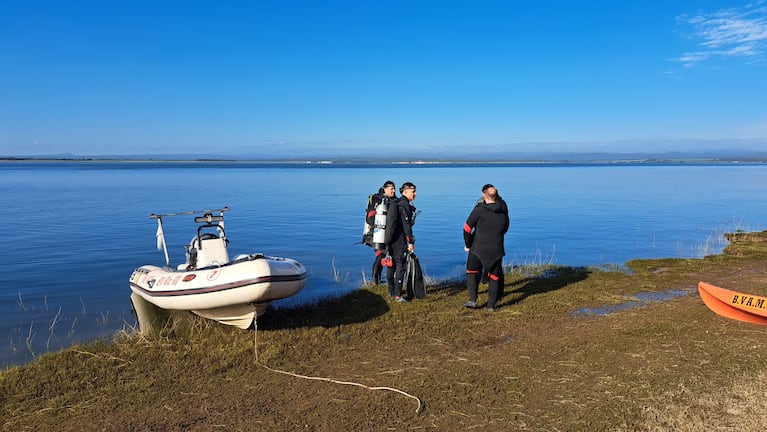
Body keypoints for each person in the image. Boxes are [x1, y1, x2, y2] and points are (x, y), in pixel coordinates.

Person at [462, 184, 509, 311]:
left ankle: (473, 300)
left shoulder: (479, 209)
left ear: (483, 194)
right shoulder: (503, 209)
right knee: (494, 277)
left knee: (471, 272)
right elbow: (506, 227)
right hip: (497, 250)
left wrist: (468, 244)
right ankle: (491, 306)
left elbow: (466, 228)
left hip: (478, 248)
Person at [384, 182, 417, 302]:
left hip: (389, 239)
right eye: (413, 191)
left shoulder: (395, 203)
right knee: (401, 266)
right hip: (399, 241)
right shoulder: (403, 205)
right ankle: (398, 296)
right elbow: (406, 226)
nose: (415, 194)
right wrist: (411, 242)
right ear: (405, 192)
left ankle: (391, 291)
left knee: (391, 265)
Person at [365, 181, 397, 284]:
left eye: (394, 188)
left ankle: (379, 280)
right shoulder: (377, 200)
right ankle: (375, 280)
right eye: (391, 188)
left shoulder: (394, 200)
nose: (394, 190)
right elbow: (369, 218)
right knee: (380, 255)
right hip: (376, 233)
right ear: (385, 189)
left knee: (385, 255)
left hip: (388, 233)